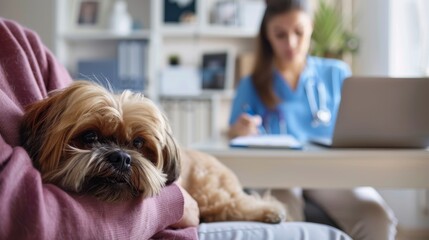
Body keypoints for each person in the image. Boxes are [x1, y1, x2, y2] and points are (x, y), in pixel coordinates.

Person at [0, 16, 354, 240]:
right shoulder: (254, 81)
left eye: (138, 146)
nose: (122, 158)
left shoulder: (24, 43)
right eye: (90, 138)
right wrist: (169, 204)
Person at [228, 0, 398, 240]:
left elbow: (359, 126)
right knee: (284, 218)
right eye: (280, 35)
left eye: (298, 32)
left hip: (330, 173)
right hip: (278, 173)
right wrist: (240, 130)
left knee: (376, 216)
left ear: (311, 28)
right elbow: (233, 133)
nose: (291, 43)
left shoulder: (336, 73)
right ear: (267, 36)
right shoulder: (252, 84)